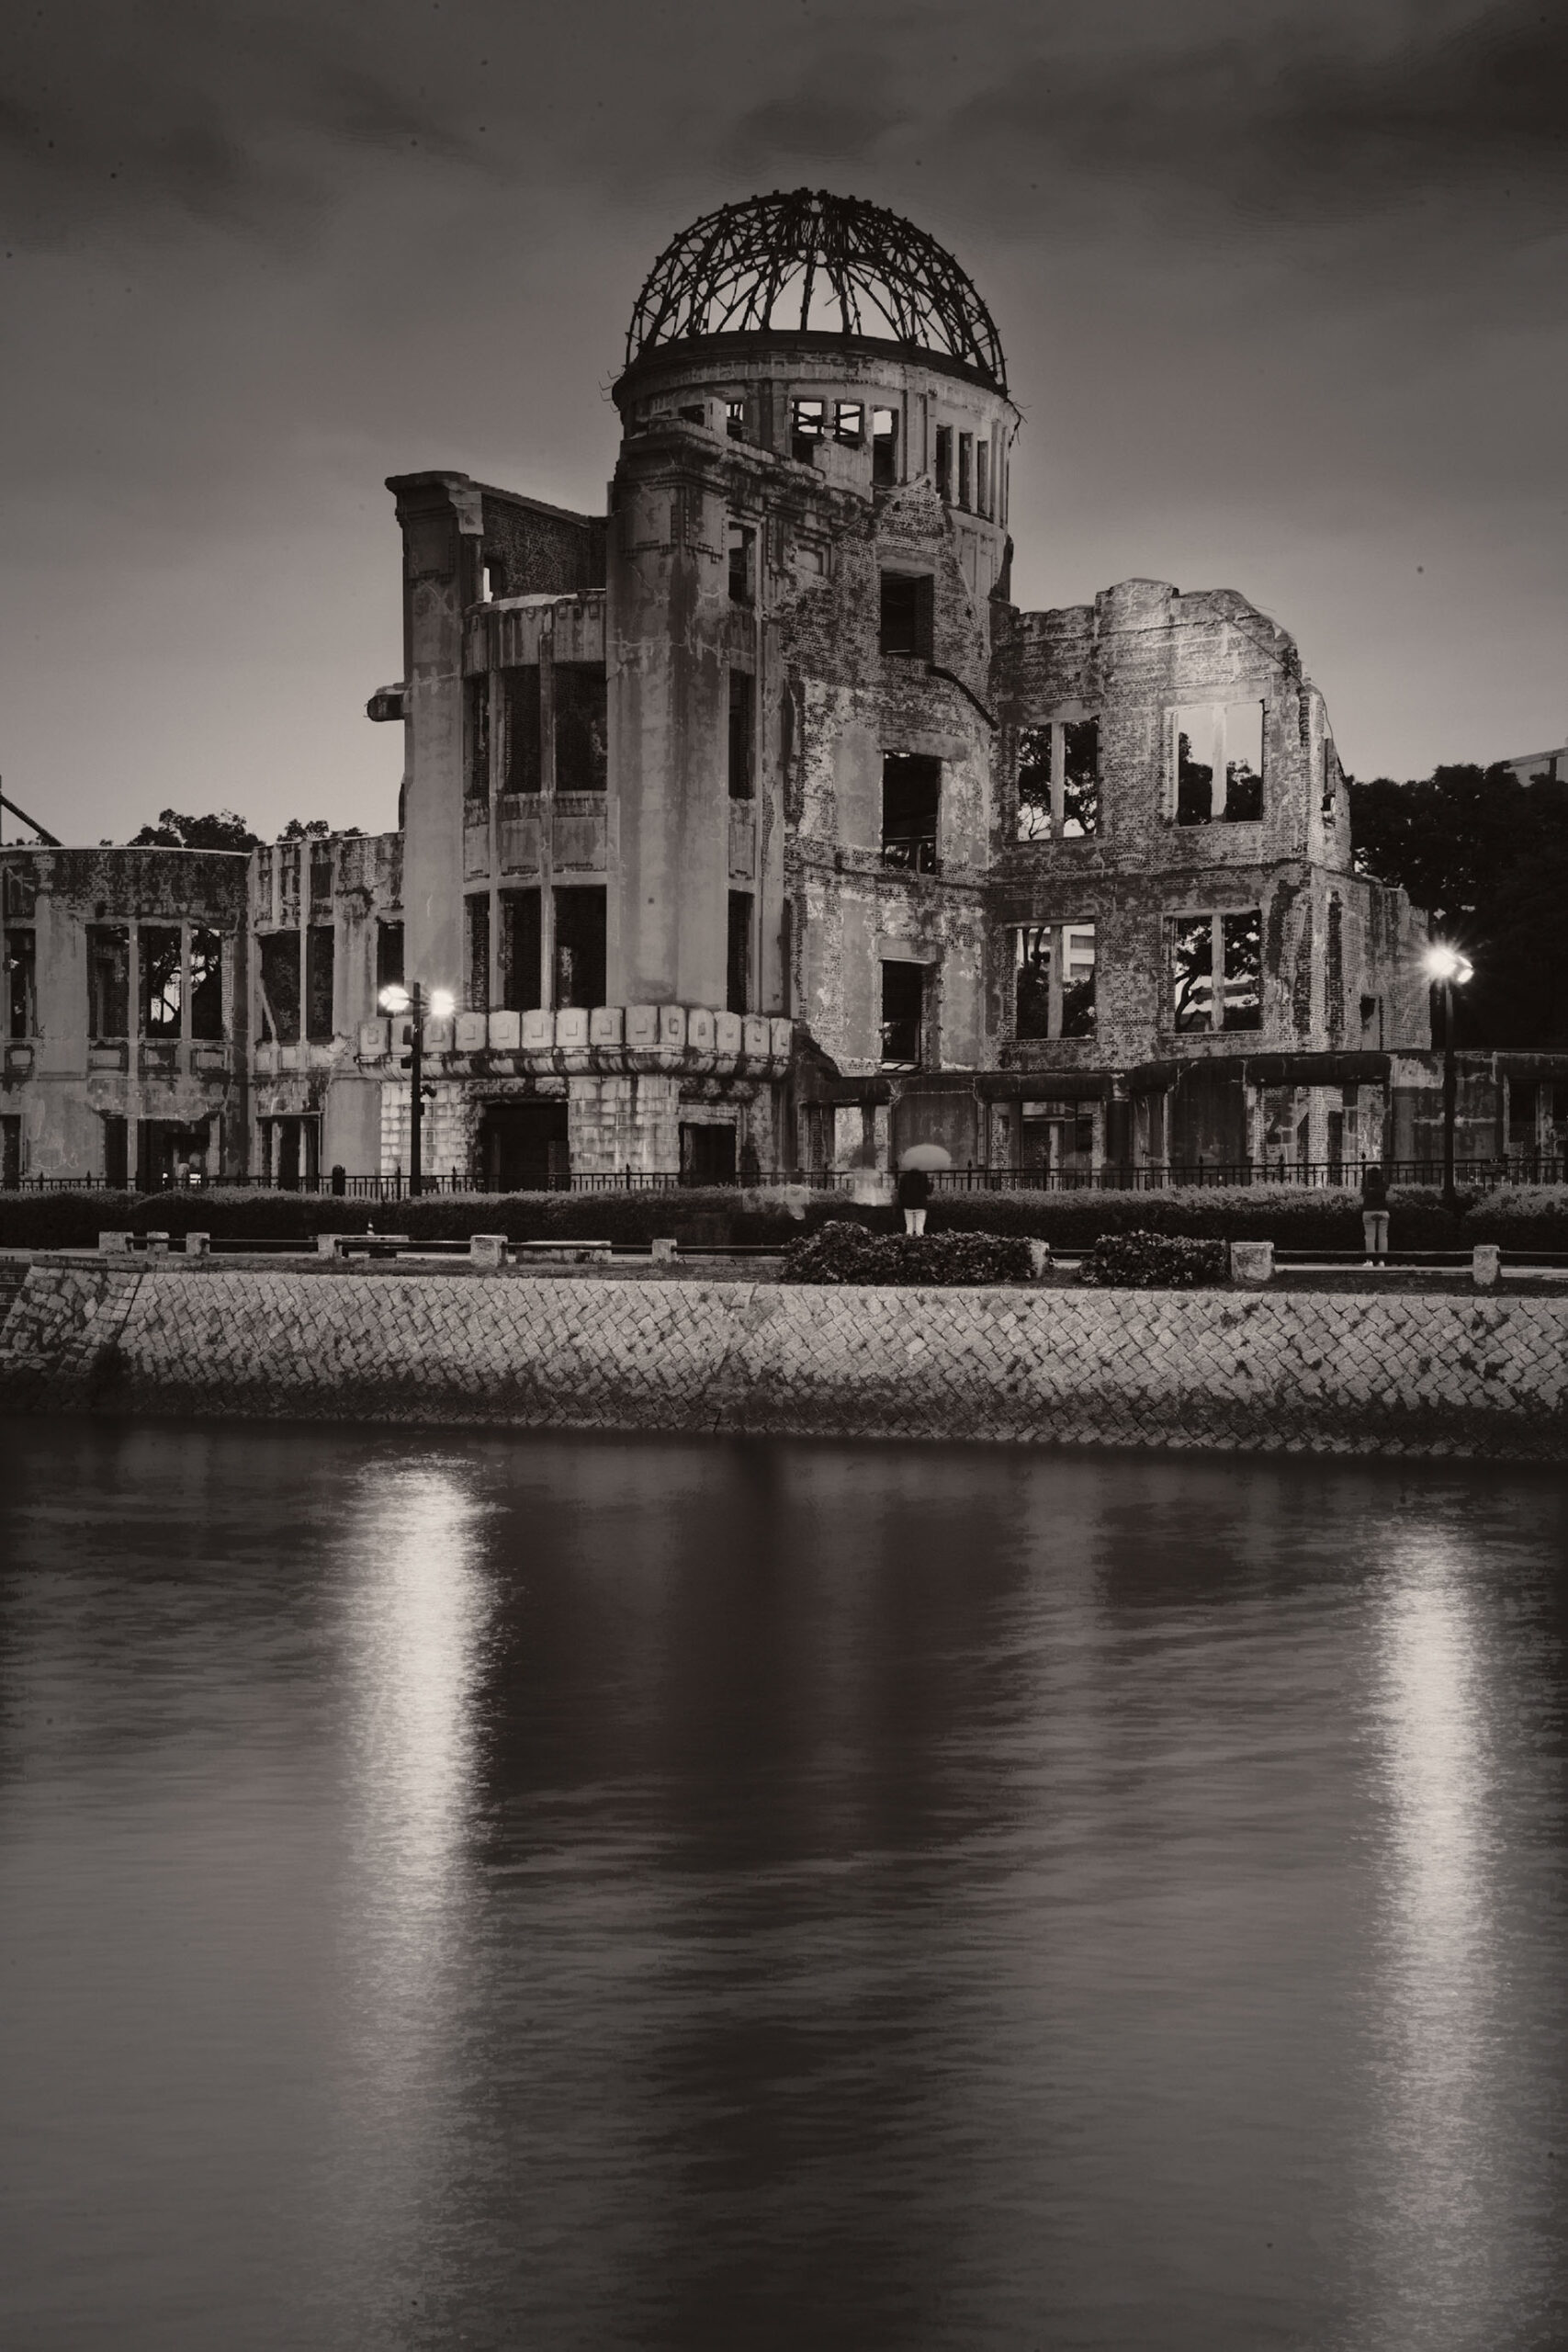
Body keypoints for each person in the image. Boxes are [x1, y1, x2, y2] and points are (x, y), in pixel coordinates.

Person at [1360, 1162, 1390, 1267]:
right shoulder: (1383, 1184)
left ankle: (1370, 1261)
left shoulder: (1367, 1184)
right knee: (1383, 1237)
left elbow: (1363, 1193)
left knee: (1369, 1237)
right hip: (1383, 1211)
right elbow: (1387, 1190)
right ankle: (1382, 1260)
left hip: (1369, 1211)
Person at [897, 1162, 931, 1237]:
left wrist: (902, 1204)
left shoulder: (904, 1177)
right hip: (921, 1205)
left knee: (909, 1229)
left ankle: (907, 1246)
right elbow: (928, 1191)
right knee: (920, 1230)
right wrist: (932, 1184)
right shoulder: (923, 1176)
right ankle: (919, 1246)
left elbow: (900, 1193)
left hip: (908, 1206)